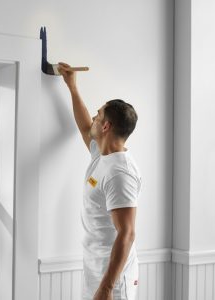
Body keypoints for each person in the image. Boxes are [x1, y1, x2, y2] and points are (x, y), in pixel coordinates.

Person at [57, 62, 141, 300]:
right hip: (95, 267)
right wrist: (72, 87)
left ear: (106, 126)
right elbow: (85, 127)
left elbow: (127, 233)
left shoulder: (119, 173)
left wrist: (107, 287)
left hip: (113, 277)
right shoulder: (101, 156)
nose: (93, 117)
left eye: (99, 114)